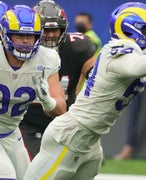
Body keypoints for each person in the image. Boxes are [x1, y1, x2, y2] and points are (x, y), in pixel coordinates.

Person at [23, 1, 146, 179]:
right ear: (129, 30)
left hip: (90, 142)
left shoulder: (140, 52)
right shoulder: (116, 50)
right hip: (70, 136)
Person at [19, 0, 96, 159]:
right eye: (46, 29)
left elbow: (97, 76)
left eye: (56, 29)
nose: (52, 35)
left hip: (66, 120)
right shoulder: (21, 50)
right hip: (29, 122)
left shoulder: (77, 46)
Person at [0, 5, 66, 180]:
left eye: (30, 35)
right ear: (5, 34)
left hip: (10, 131)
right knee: (6, 175)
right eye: (19, 34)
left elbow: (61, 109)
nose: (25, 41)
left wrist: (47, 101)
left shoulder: (47, 58)